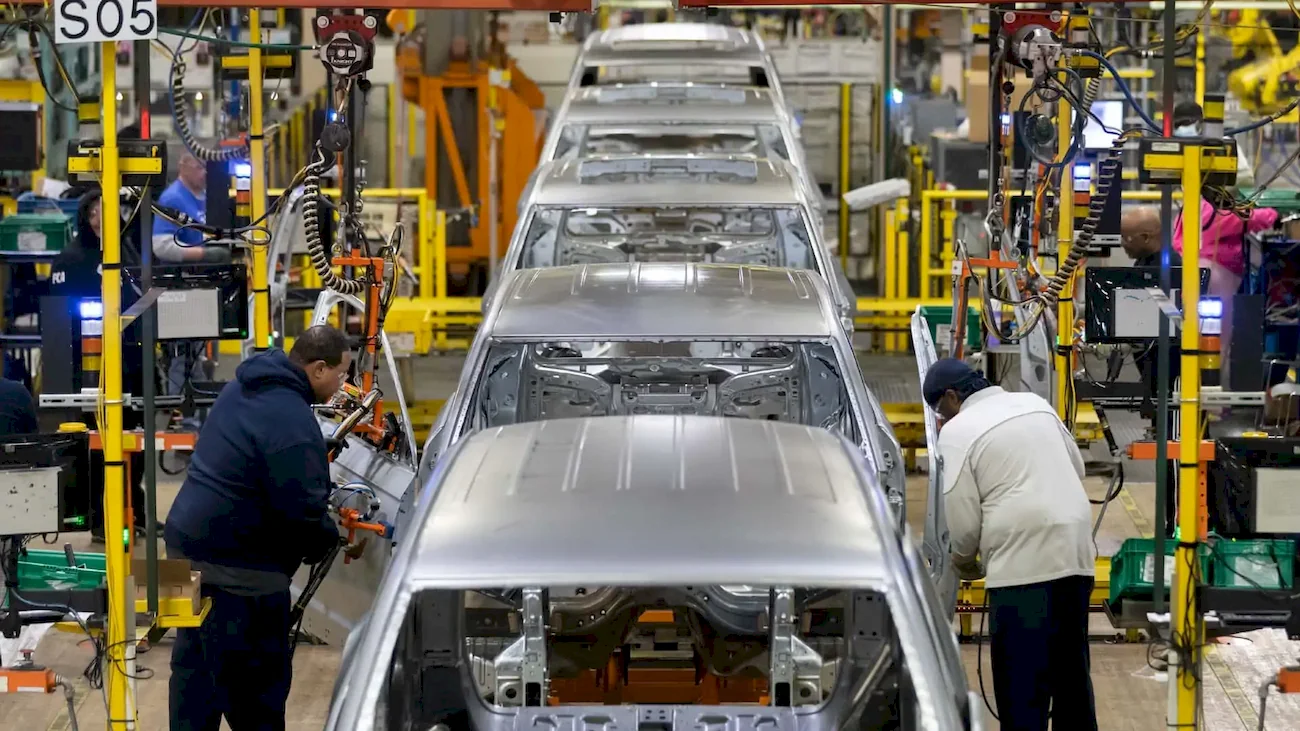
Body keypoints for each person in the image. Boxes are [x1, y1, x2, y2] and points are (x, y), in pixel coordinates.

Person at [164, 325, 350, 730]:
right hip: (236, 570)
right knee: (257, 692)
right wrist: (329, 537)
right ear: (319, 369)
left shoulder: (242, 385)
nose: (343, 385)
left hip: (178, 550)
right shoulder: (294, 422)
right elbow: (301, 513)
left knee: (192, 674)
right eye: (341, 375)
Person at [923, 358, 1097, 731]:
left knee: (1021, 684)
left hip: (1021, 565)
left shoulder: (957, 432)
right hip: (1076, 553)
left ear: (953, 397)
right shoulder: (1035, 404)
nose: (940, 419)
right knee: (1071, 674)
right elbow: (1078, 469)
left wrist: (965, 562)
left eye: (940, 410)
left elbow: (963, 516)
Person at [50, 189, 154, 541]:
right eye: (95, 211)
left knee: (134, 443)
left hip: (130, 365)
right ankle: (96, 517)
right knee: (93, 444)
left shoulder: (127, 251)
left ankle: (134, 512)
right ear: (86, 216)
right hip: (89, 368)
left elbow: (142, 299)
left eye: (108, 210)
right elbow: (58, 319)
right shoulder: (71, 259)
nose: (102, 218)